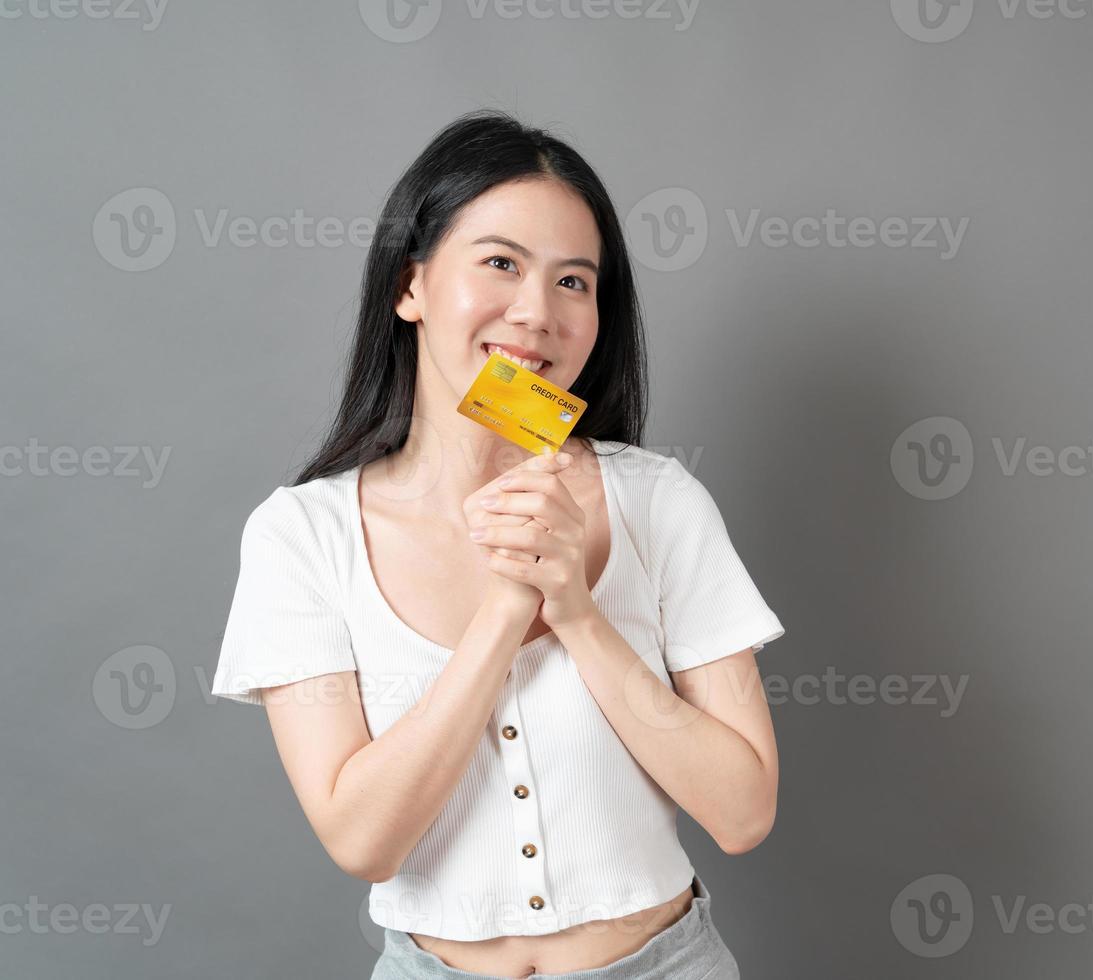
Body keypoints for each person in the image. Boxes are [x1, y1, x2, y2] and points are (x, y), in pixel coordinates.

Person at [210, 109, 786, 979]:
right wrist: (508, 608)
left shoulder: (659, 501)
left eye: (574, 282)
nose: (536, 314)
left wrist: (582, 615)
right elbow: (362, 838)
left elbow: (743, 813)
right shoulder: (302, 536)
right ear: (411, 286)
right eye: (501, 264)